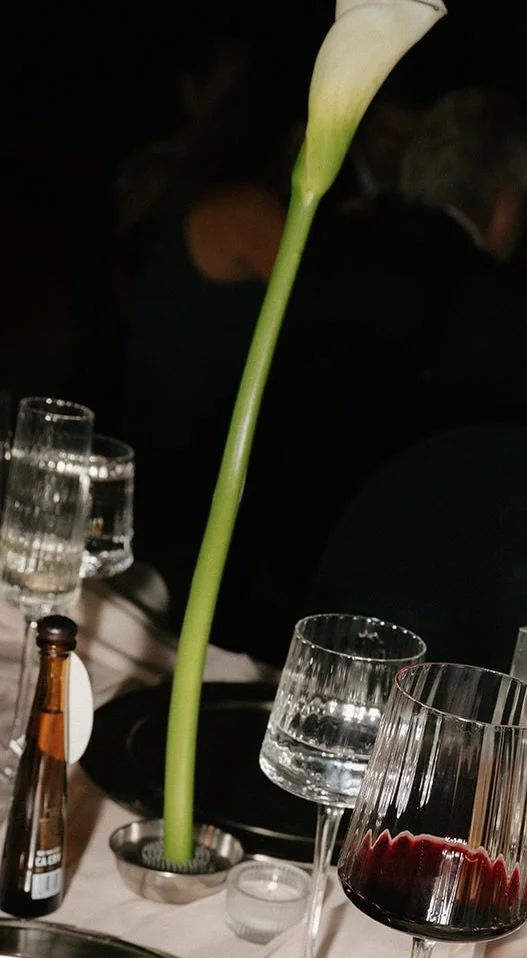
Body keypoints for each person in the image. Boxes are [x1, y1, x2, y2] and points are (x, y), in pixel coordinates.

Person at [212, 86, 527, 665]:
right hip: (410, 639)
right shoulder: (520, 319)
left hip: (253, 586)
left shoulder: (320, 246)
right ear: (506, 205)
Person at [111, 33, 313, 624]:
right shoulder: (253, 212)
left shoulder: (185, 186)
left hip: (154, 447)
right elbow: (321, 321)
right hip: (186, 477)